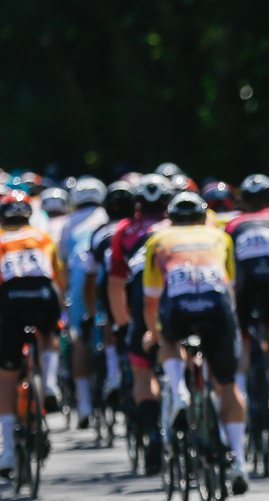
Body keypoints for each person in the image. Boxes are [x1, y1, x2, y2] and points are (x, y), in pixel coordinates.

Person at [142, 192, 250, 493]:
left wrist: (154, 332)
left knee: (169, 338)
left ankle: (178, 391)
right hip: (216, 307)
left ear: (171, 218)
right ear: (204, 217)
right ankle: (239, 460)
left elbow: (150, 300)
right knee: (227, 386)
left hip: (178, 306)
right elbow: (230, 289)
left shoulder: (158, 239)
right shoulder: (220, 236)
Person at [0, 190, 66, 478]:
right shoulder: (43, 237)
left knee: (7, 377)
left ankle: (8, 452)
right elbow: (59, 278)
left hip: (10, 302)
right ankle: (49, 383)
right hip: (42, 296)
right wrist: (57, 315)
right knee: (49, 334)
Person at [108, 174, 172, 474]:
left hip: (140, 304)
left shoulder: (124, 230)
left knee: (142, 372)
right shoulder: (179, 228)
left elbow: (116, 283)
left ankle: (153, 433)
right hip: (177, 300)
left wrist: (122, 323)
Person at [224, 174, 269, 425]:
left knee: (242, 336)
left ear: (243, 201)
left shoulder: (233, 224)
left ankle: (241, 398)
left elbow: (229, 267)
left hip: (245, 280)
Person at [58, 178, 108, 427]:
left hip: (80, 276)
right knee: (112, 321)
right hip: (106, 272)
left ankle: (85, 404)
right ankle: (115, 375)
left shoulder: (69, 223)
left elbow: (64, 261)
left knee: (79, 335)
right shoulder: (107, 215)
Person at [85, 180, 134, 399]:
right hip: (139, 282)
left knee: (109, 323)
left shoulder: (99, 233)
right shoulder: (140, 227)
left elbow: (91, 275)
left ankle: (113, 373)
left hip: (112, 284)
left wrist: (91, 313)